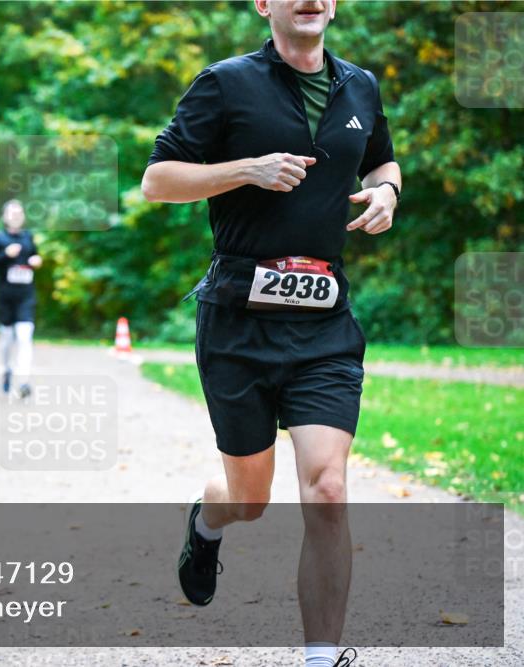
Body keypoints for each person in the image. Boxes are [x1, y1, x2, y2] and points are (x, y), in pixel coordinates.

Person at [142, 2, 400, 666]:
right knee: (249, 500)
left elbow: (382, 163)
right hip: (238, 322)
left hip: (324, 324)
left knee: (328, 488)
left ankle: (321, 657)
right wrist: (245, 169)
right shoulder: (226, 83)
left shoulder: (360, 86)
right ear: (264, 3)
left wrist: (387, 194)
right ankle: (207, 522)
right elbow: (156, 181)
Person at [0, 199, 43, 397]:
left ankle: (23, 380)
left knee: (25, 337)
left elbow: (35, 256)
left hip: (26, 296)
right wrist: (5, 254)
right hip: (6, 298)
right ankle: (7, 369)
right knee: (7, 340)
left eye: (19, 213)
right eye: (12, 213)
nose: (16, 216)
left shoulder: (28, 237)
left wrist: (36, 260)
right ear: (4, 217)